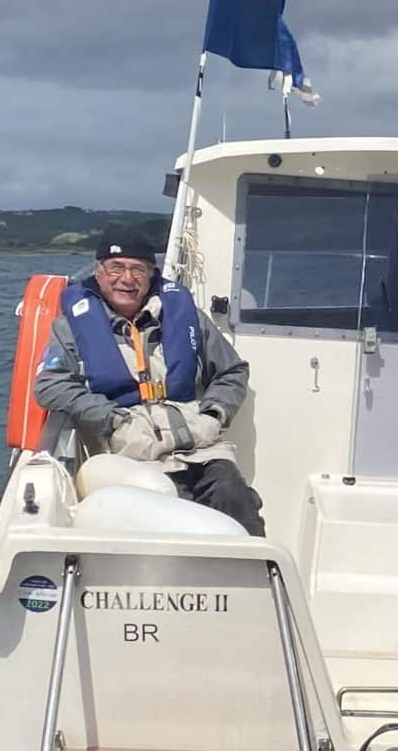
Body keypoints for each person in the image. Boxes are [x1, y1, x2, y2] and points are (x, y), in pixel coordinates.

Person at [33, 227, 265, 534]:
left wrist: (213, 414)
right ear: (99, 273)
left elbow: (232, 371)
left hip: (200, 449)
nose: (127, 279)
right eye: (116, 268)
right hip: (129, 456)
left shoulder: (188, 318)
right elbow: (50, 384)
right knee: (168, 517)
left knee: (234, 498)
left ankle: (256, 561)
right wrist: (109, 418)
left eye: (137, 269)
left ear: (151, 274)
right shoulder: (70, 328)